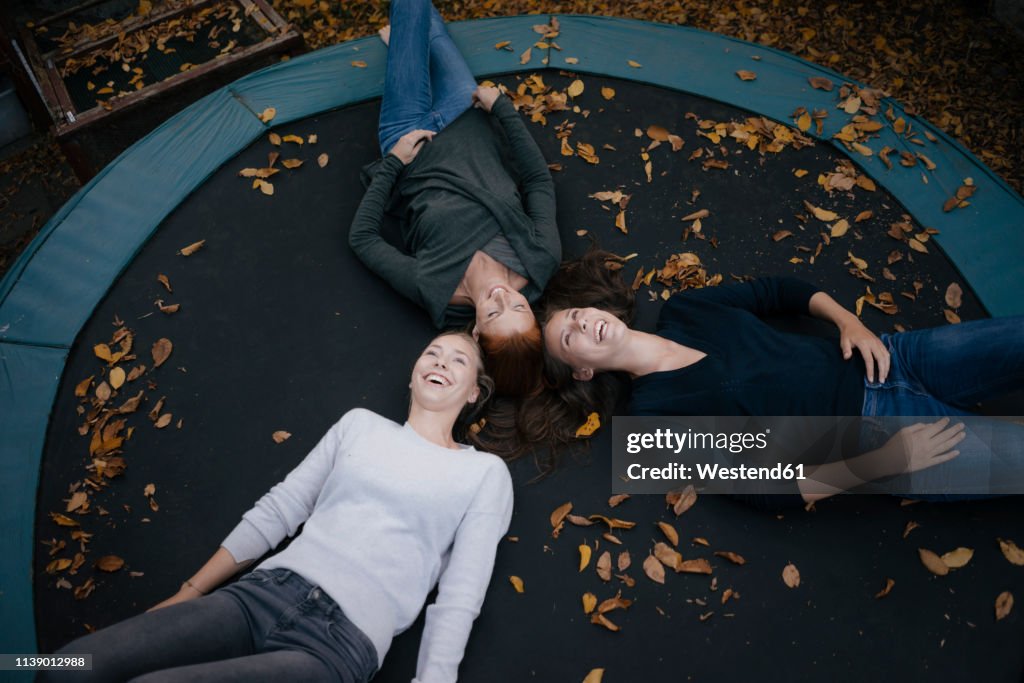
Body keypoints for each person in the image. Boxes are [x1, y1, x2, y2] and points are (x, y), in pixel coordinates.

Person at [43, 331, 513, 683]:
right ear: (413, 372)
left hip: (336, 645)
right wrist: (188, 593)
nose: (441, 362)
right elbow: (283, 508)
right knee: (64, 668)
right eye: (432, 352)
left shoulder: (483, 474)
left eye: (459, 361)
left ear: (473, 393)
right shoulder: (360, 426)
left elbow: (459, 598)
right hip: (259, 596)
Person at [536, 249, 1024, 505]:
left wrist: (848, 321)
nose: (582, 322)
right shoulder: (647, 428)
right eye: (568, 336)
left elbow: (777, 291)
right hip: (881, 434)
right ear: (582, 369)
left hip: (892, 356)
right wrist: (887, 461)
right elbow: (771, 490)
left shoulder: (684, 310)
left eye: (578, 312)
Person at [349, 0, 561, 397]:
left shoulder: (434, 291)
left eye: (495, 312)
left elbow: (363, 239)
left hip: (409, 132)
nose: (502, 297)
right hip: (467, 111)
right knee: (430, 29)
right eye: (519, 307)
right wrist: (503, 110)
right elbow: (537, 182)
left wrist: (394, 160)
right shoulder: (540, 259)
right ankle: (405, 49)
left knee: (410, 8)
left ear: (477, 329)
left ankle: (404, 48)